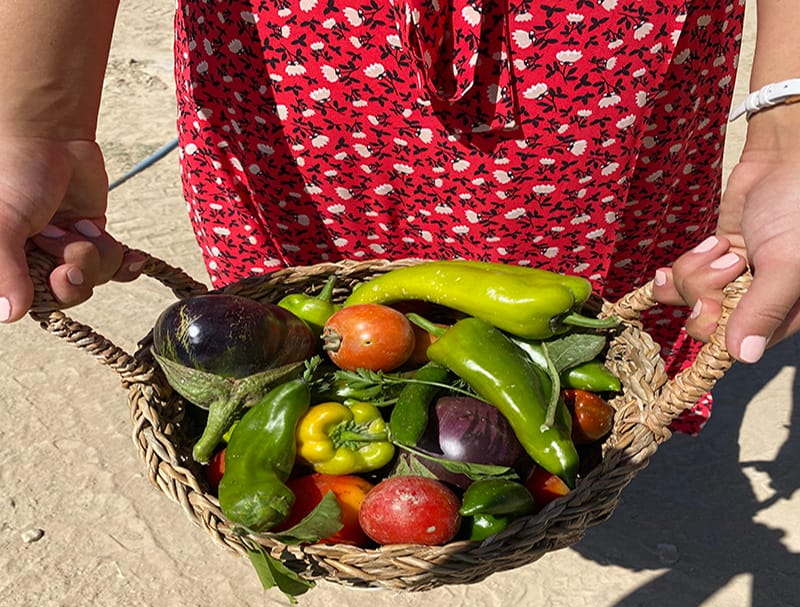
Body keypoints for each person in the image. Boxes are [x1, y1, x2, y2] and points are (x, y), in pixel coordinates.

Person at [0, 1, 798, 432]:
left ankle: (569, 433)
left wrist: (788, 133)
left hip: (588, 68)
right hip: (308, 59)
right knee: (300, 314)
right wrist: (36, 122)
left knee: (582, 323)